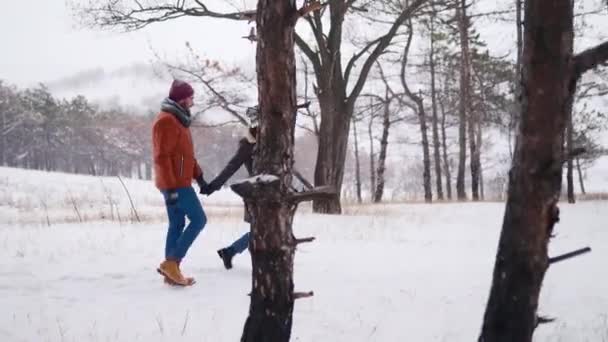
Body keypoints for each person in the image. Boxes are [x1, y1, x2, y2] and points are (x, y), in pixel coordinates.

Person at [152, 79, 210, 286]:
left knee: (177, 224)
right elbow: (162, 157)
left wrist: (200, 177)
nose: (193, 101)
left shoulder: (180, 120)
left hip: (180, 182)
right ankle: (172, 263)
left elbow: (186, 156)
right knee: (199, 220)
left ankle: (171, 272)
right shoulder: (166, 121)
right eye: (191, 97)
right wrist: (171, 188)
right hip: (175, 184)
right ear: (182, 99)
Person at [202, 106, 259, 269]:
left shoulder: (275, 140)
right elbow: (231, 167)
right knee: (261, 230)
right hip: (256, 193)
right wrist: (214, 186)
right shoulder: (247, 145)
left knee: (263, 230)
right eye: (255, 121)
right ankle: (234, 253)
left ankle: (230, 251)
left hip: (274, 191)